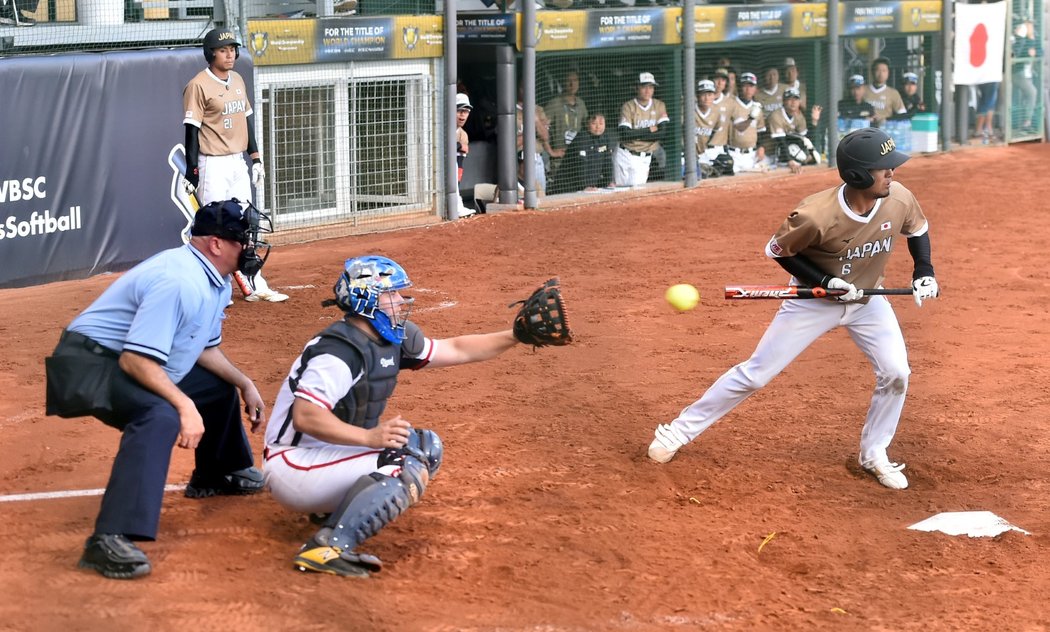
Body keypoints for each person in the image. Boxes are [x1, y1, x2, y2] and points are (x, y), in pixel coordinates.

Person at [647, 127, 940, 491]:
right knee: (756, 374)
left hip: (868, 299)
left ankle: (874, 452)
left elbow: (918, 230)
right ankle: (678, 431)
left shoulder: (898, 197)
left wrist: (924, 271)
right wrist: (825, 280)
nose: (892, 173)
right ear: (857, 175)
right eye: (884, 168)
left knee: (897, 372)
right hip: (813, 301)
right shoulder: (815, 215)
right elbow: (777, 250)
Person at [263, 256, 548, 577]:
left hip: (326, 456)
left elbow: (455, 349)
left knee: (425, 446)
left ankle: (331, 509)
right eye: (392, 294)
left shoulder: (388, 338)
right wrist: (369, 438)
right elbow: (306, 417)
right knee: (403, 463)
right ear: (366, 298)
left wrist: (514, 335)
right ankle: (327, 546)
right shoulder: (339, 352)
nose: (402, 300)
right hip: (292, 465)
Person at [45, 200, 273, 579]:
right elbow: (135, 361)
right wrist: (184, 405)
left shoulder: (211, 278)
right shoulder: (179, 280)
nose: (250, 249)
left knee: (216, 387)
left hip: (120, 357)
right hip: (88, 363)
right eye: (242, 241)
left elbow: (201, 347)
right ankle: (108, 540)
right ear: (216, 244)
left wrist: (244, 382)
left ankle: (220, 473)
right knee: (159, 414)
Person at [182, 28, 288, 303]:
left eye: (232, 49)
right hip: (212, 163)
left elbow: (246, 121)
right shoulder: (198, 85)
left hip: (237, 162)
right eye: (223, 50)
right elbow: (191, 131)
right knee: (215, 229)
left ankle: (255, 280)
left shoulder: (238, 79)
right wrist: (191, 171)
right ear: (211, 54)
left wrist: (255, 158)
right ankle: (215, 287)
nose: (230, 54)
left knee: (248, 221)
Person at [614, 72, 669, 187]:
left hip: (645, 157)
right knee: (620, 191)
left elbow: (662, 133)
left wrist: (635, 134)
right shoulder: (628, 106)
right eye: (644, 87)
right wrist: (649, 130)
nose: (647, 90)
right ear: (636, 88)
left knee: (636, 191)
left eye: (651, 87)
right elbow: (625, 134)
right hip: (625, 155)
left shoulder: (659, 105)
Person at [548, 112, 614, 194]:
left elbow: (607, 162)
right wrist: (584, 186)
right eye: (594, 123)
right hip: (568, 186)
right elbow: (580, 164)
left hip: (589, 186)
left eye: (601, 123)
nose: (598, 127)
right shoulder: (582, 138)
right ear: (587, 124)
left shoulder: (605, 138)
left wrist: (608, 182)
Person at [765, 87, 822, 173]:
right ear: (784, 101)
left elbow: (806, 138)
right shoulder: (776, 115)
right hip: (769, 154)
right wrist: (790, 161)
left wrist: (814, 121)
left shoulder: (799, 117)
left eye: (796, 99)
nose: (793, 102)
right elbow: (781, 141)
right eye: (790, 99)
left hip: (787, 153)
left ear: (799, 102)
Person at [544, 69, 589, 177]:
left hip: (578, 158)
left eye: (575, 80)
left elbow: (587, 128)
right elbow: (541, 129)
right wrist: (551, 151)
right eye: (568, 80)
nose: (572, 84)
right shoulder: (554, 103)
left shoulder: (581, 103)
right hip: (560, 160)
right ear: (563, 82)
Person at [727, 72, 766, 173]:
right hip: (733, 153)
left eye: (751, 86)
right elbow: (739, 127)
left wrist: (761, 147)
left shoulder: (757, 107)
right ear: (740, 87)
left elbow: (761, 131)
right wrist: (751, 118)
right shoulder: (731, 104)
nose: (748, 89)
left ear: (755, 89)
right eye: (745, 86)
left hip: (752, 154)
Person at [1011, 18, 1040, 132]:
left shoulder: (1034, 38)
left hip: (1029, 74)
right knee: (1032, 92)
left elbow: (1040, 51)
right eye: (1029, 25)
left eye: (1032, 25)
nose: (1031, 27)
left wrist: (1035, 50)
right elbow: (1016, 52)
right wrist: (1021, 36)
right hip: (1017, 72)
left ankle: (1025, 124)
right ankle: (1026, 122)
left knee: (1025, 98)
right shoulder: (1019, 38)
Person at [692, 79, 725, 175]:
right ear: (697, 96)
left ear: (714, 96)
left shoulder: (716, 112)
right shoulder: (688, 109)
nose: (706, 98)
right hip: (688, 154)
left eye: (710, 94)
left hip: (705, 153)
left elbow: (716, 131)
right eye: (703, 94)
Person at [863, 57, 908, 124]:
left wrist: (886, 119)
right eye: (878, 70)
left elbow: (902, 114)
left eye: (884, 71)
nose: (881, 74)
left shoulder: (893, 93)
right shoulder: (863, 90)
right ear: (872, 72)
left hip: (885, 130)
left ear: (888, 73)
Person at [454, 92, 477, 217]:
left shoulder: (463, 133)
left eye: (466, 111)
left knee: (456, 173)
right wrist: (459, 146)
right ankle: (457, 206)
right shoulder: (444, 127)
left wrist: (458, 146)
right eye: (459, 110)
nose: (463, 114)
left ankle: (457, 205)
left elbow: (464, 150)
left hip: (455, 165)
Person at [973, 79, 997, 143]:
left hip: (983, 76)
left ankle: (981, 130)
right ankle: (985, 130)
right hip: (989, 76)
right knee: (989, 100)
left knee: (986, 99)